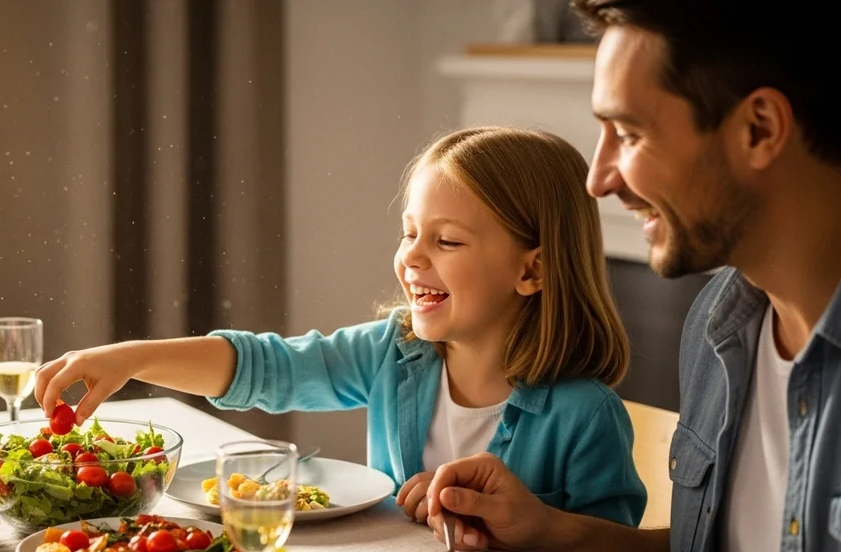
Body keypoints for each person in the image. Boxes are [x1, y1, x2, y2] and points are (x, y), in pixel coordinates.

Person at [416, 1, 841, 552]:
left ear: (759, 129)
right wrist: (549, 530)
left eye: (628, 134)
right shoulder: (717, 328)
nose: (599, 177)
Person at [35, 126, 647, 527]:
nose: (410, 256)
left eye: (448, 240)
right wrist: (133, 358)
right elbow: (267, 368)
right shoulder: (395, 353)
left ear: (532, 269)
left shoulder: (584, 415)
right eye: (409, 232)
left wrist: (531, 526)